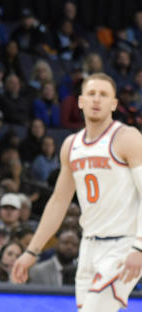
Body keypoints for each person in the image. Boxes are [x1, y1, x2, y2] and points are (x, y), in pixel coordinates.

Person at [12, 73, 142, 310]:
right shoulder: (71, 145)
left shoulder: (127, 138)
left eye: (104, 95)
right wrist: (32, 251)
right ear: (80, 101)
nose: (96, 100)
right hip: (89, 245)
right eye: (91, 94)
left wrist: (139, 247)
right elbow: (59, 201)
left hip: (124, 245)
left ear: (114, 104)